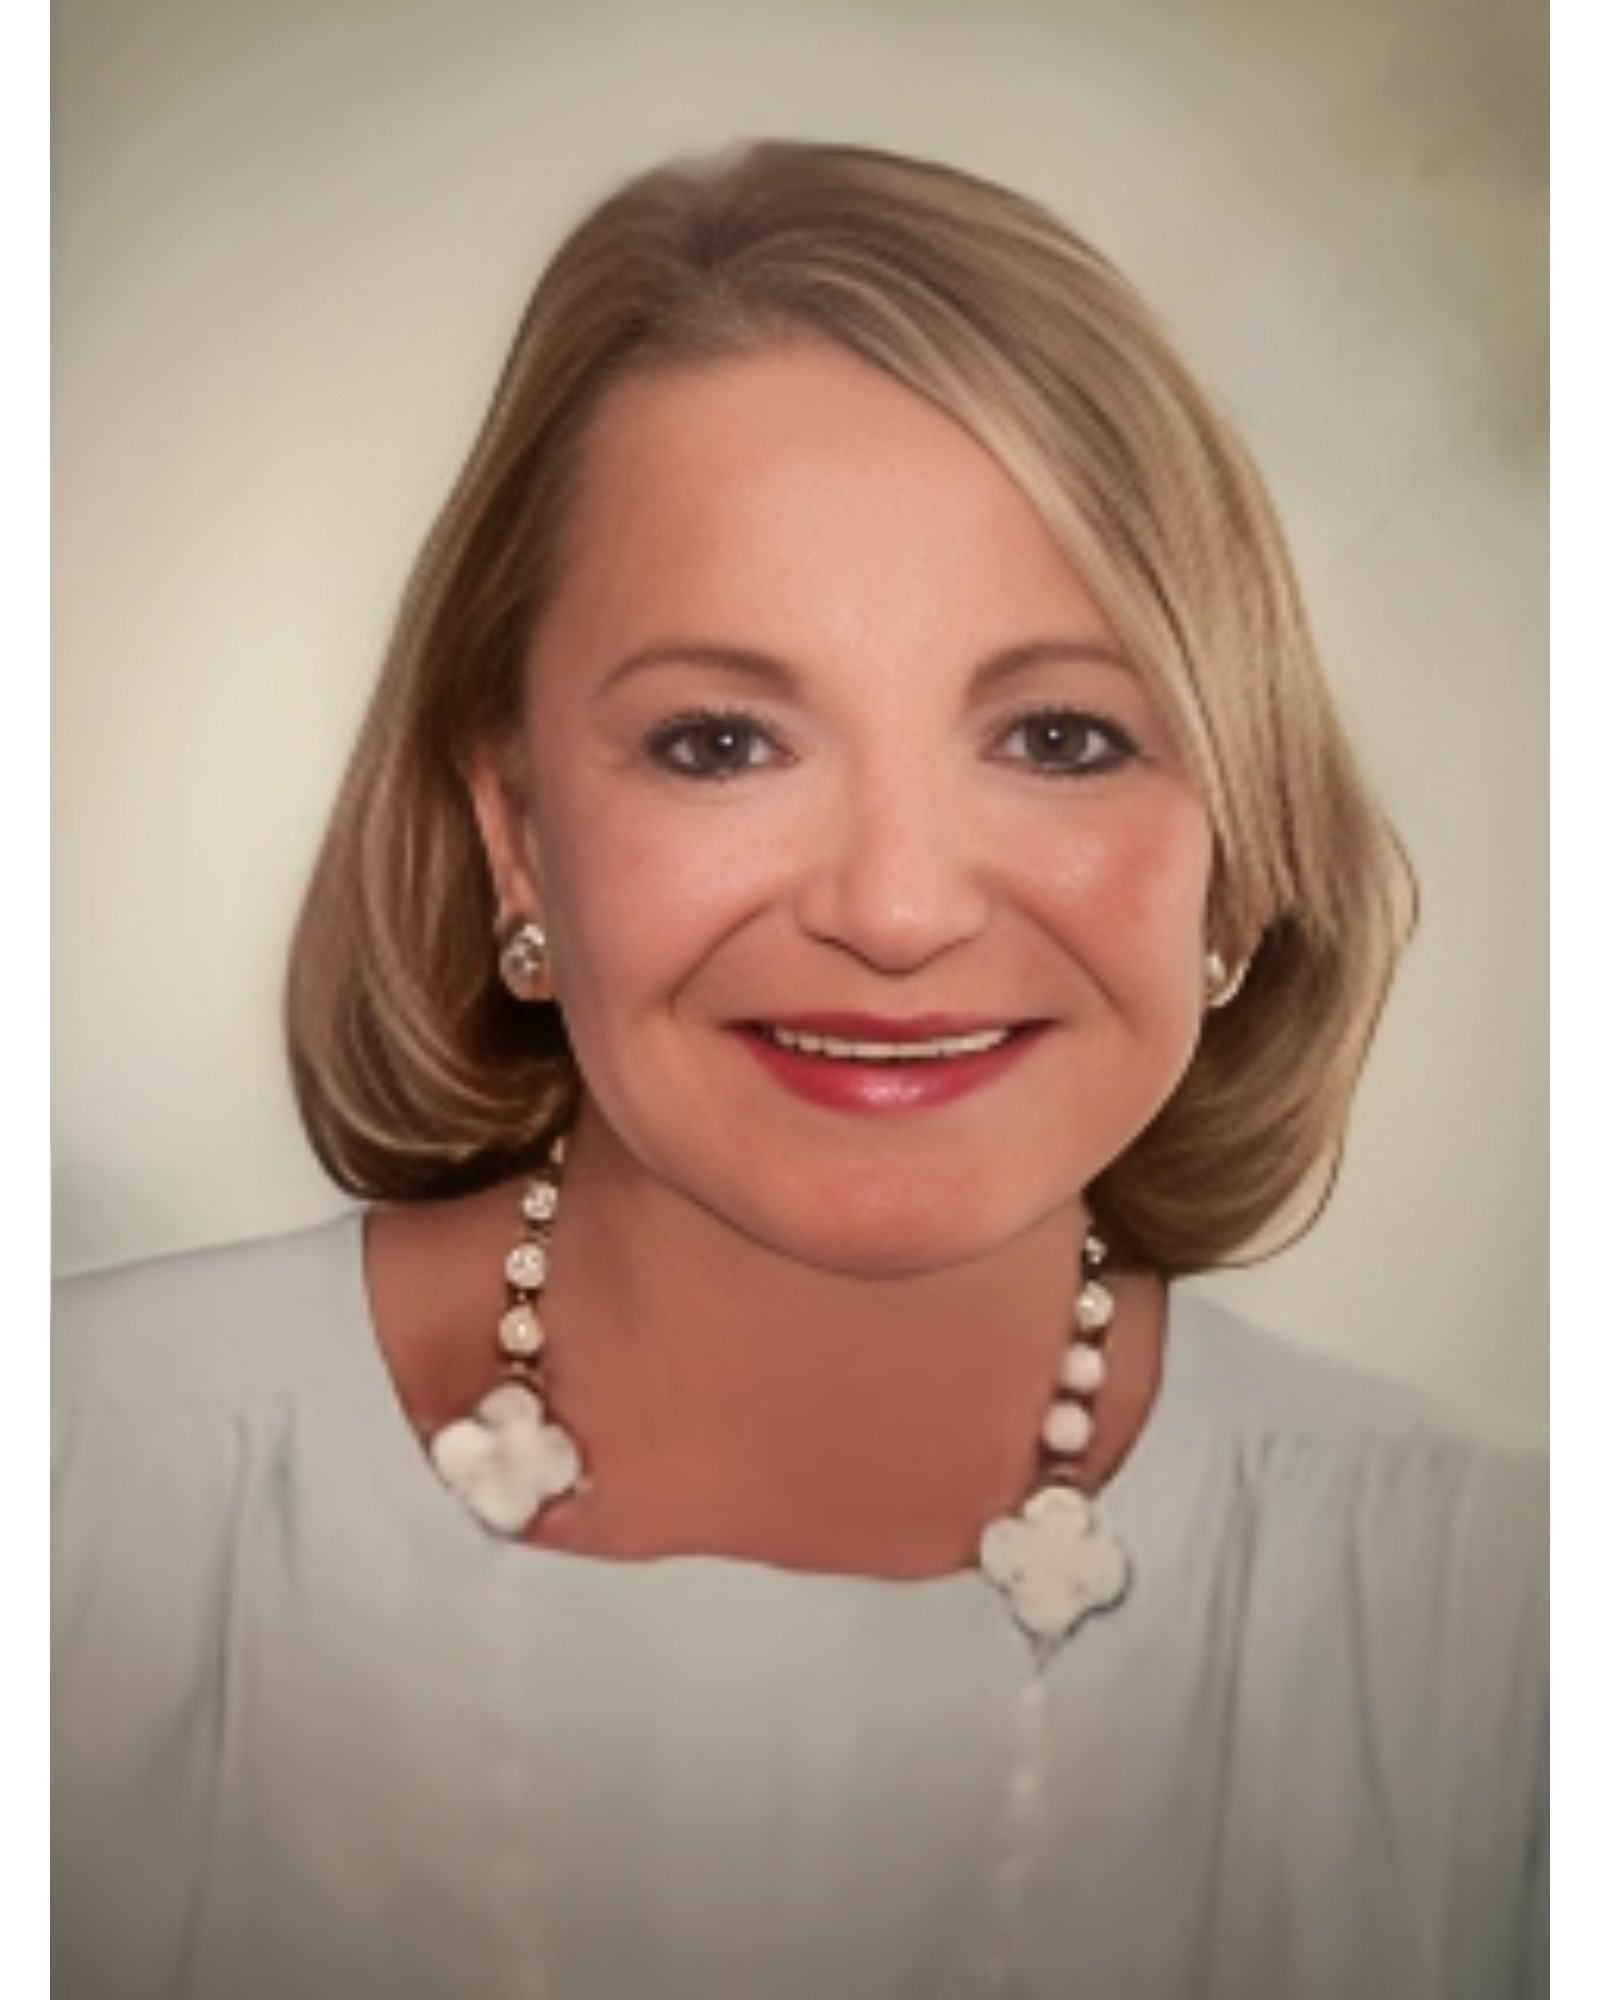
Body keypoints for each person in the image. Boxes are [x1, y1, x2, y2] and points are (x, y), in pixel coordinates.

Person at [51, 138, 1547, 2000]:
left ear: (1232, 845)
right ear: (517, 833)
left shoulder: (1498, 1645)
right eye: (720, 742)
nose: (899, 910)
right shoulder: (89, 1505)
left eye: (1064, 733)